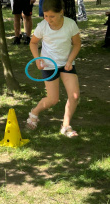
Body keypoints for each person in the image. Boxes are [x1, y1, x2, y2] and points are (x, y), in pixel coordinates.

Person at [26, 0, 81, 138]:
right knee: (53, 100)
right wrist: (37, 58)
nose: (48, 19)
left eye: (52, 16)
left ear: (61, 12)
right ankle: (34, 112)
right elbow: (33, 43)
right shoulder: (42, 26)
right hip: (49, 65)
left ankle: (66, 126)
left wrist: (69, 61)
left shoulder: (70, 24)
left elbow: (77, 44)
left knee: (74, 96)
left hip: (66, 64)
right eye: (45, 16)